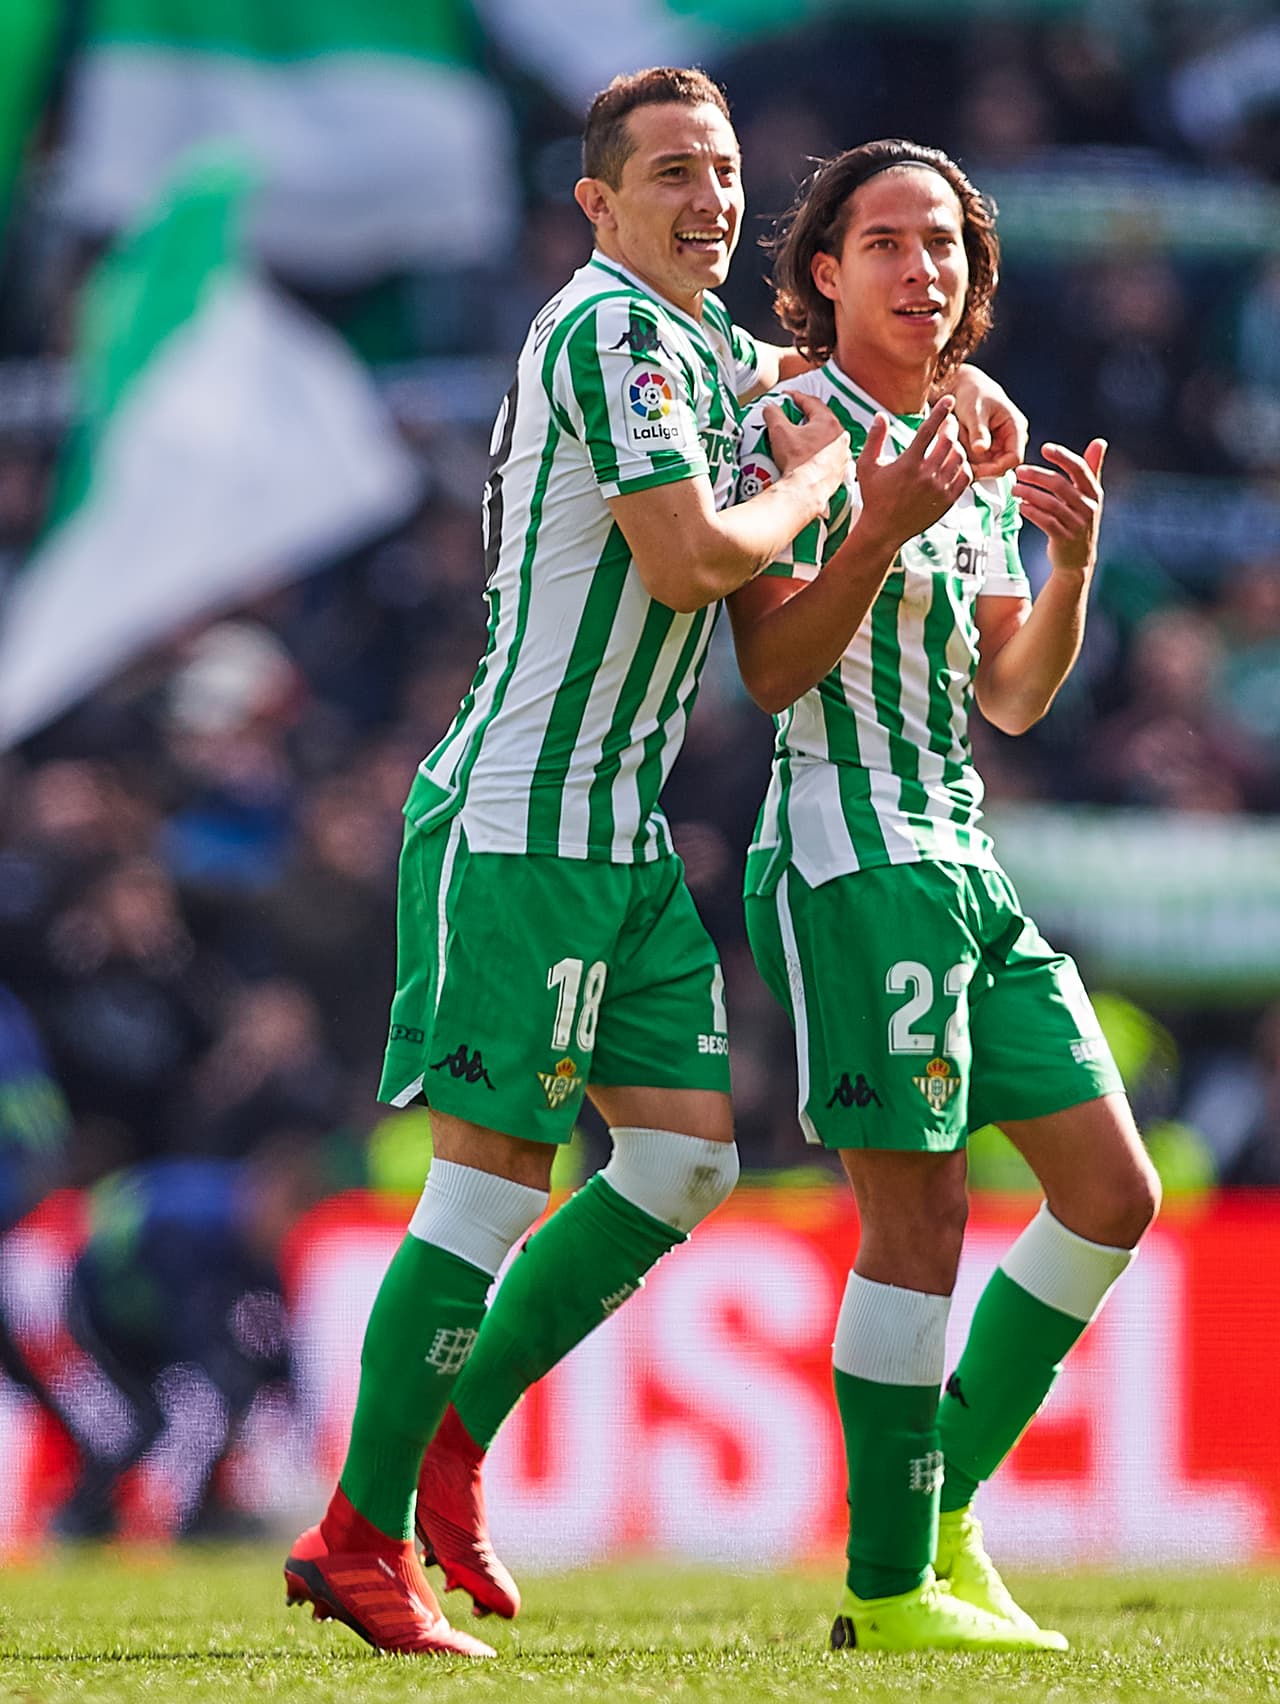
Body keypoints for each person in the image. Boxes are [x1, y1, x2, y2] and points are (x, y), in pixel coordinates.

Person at [284, 72, 1028, 1658]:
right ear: (597, 203)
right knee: (490, 1179)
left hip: (617, 834)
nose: (712, 197)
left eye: (728, 169)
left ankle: (446, 1437)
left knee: (684, 1159)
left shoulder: (695, 344)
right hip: (527, 818)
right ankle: (356, 1535)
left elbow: (840, 382)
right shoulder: (610, 331)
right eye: (673, 172)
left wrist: (955, 410)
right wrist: (838, 484)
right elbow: (695, 553)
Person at [726, 139, 1161, 1653]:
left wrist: (1073, 569)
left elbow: (1018, 699)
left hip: (961, 853)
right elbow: (772, 671)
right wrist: (881, 526)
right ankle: (887, 1589)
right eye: (888, 243)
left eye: (947, 248)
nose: (925, 270)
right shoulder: (789, 423)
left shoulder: (976, 432)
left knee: (1112, 1193)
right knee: (917, 1219)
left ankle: (941, 1509)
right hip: (849, 852)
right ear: (826, 273)